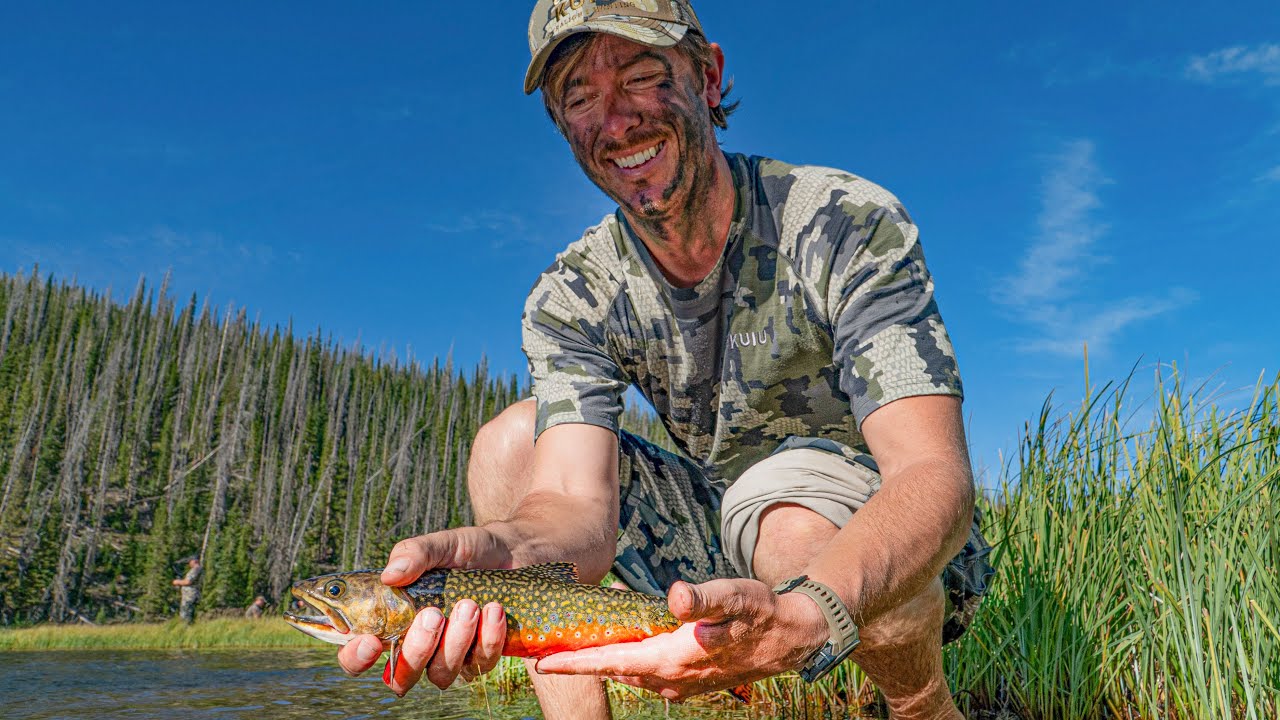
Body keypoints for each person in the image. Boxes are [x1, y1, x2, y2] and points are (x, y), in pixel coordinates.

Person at [337, 2, 994, 718]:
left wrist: (809, 614)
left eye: (641, 78)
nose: (616, 123)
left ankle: (923, 706)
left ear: (708, 78)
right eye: (580, 99)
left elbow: (931, 472)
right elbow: (572, 507)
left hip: (885, 543)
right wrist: (502, 554)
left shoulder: (842, 221)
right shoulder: (572, 296)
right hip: (717, 521)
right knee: (507, 446)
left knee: (783, 519)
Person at [171, 556, 202, 624]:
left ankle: (186, 629)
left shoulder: (196, 569)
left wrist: (176, 582)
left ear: (194, 561)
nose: (189, 564)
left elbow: (187, 582)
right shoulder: (199, 569)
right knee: (190, 615)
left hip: (190, 596)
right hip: (192, 595)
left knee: (186, 615)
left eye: (189, 562)